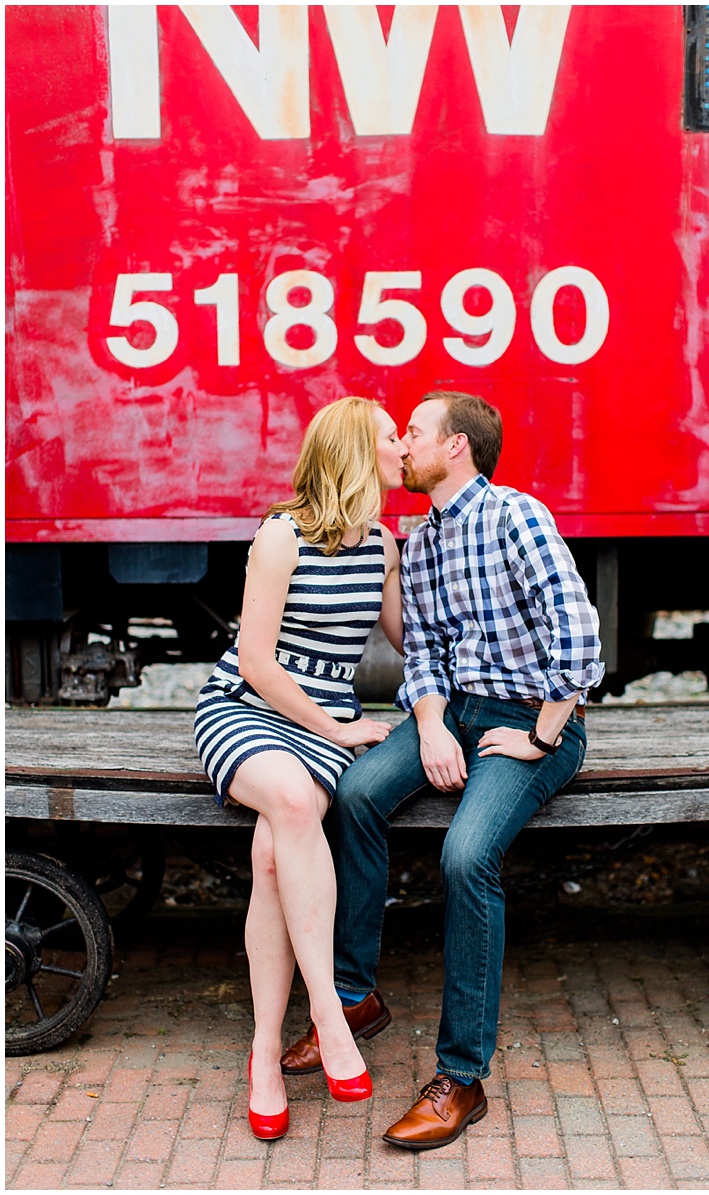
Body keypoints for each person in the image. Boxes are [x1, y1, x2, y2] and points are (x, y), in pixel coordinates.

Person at [281, 390, 604, 1149]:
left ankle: (462, 1075)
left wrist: (543, 733)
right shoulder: (420, 541)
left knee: (466, 854)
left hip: (535, 716)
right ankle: (355, 994)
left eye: (415, 432)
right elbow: (421, 652)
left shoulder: (515, 515)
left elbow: (580, 631)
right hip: (456, 711)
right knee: (356, 793)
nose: (402, 445)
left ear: (456, 446)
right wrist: (429, 725)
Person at [194, 396, 407, 1140]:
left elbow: (413, 637)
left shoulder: (383, 542)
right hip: (249, 707)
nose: (403, 446)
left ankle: (261, 1052)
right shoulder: (280, 537)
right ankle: (327, 1008)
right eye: (390, 437)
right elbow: (255, 661)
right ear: (355, 449)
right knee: (289, 799)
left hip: (320, 724)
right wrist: (338, 727)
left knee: (272, 853)